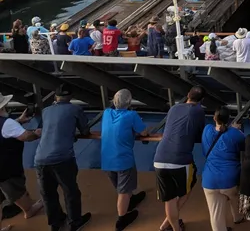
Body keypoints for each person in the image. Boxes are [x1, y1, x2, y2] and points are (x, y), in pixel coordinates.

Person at [35, 84, 91, 231]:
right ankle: (75, 223)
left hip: (40, 159)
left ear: (55, 97)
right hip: (62, 159)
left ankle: (55, 224)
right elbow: (85, 131)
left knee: (48, 194)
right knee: (71, 192)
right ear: (71, 97)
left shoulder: (46, 111)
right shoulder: (75, 109)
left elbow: (40, 130)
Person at [154, 87, 206, 231]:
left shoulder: (174, 108)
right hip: (180, 160)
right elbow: (199, 134)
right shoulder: (199, 111)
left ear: (187, 96)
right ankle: (169, 224)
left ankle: (171, 226)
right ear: (202, 101)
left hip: (159, 158)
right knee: (187, 188)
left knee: (169, 198)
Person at [101, 89, 148, 231]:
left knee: (120, 186)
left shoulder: (106, 113)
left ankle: (130, 200)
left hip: (106, 159)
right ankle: (122, 219)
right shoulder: (131, 115)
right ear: (129, 103)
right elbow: (143, 132)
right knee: (124, 190)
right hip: (123, 159)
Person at [0, 93, 44, 229]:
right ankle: (29, 210)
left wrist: (18, 121)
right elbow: (26, 136)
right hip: (5, 169)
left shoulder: (9, 124)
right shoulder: (7, 123)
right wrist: (36, 133)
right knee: (17, 192)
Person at [201, 107, 245, 231]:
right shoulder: (235, 134)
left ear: (214, 118)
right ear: (229, 120)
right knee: (235, 197)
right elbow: (244, 144)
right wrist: (235, 129)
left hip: (209, 180)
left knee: (215, 214)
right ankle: (238, 217)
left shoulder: (207, 129)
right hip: (230, 179)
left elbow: (205, 152)